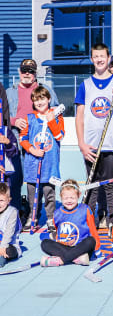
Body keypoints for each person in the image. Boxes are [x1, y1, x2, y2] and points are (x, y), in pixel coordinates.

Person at [75, 43, 113, 232]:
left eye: (102, 56)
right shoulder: (85, 85)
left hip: (111, 143)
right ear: (92, 59)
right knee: (91, 185)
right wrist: (81, 143)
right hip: (91, 145)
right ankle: (89, 223)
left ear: (107, 59)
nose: (99, 59)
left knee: (110, 184)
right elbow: (79, 117)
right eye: (95, 56)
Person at [7, 59, 58, 211]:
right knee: (15, 179)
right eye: (24, 70)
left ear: (36, 73)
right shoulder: (10, 91)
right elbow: (2, 116)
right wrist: (14, 121)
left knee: (39, 179)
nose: (27, 74)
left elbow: (56, 111)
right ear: (19, 72)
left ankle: (33, 213)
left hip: (39, 141)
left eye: (30, 71)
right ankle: (15, 212)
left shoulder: (46, 90)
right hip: (15, 139)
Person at [20, 86, 65, 232]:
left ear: (49, 99)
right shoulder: (30, 118)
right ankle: (33, 217)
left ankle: (51, 217)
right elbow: (23, 138)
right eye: (36, 100)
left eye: (42, 99)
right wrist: (32, 149)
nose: (39, 102)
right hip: (33, 163)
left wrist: (51, 121)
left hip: (49, 164)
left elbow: (59, 136)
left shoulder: (57, 117)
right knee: (33, 194)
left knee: (49, 193)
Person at [40, 179, 100, 267]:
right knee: (45, 243)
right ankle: (76, 259)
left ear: (78, 195)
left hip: (81, 247)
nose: (69, 201)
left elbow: (92, 230)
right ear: (61, 197)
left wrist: (97, 249)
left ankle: (60, 260)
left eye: (72, 198)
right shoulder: (57, 213)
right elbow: (55, 233)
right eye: (65, 198)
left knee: (90, 241)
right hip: (64, 246)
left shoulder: (85, 209)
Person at [0, 182, 22, 268]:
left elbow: (9, 231)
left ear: (8, 200)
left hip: (8, 245)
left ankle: (2, 258)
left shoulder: (12, 212)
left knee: (8, 251)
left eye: (1, 200)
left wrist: (2, 247)